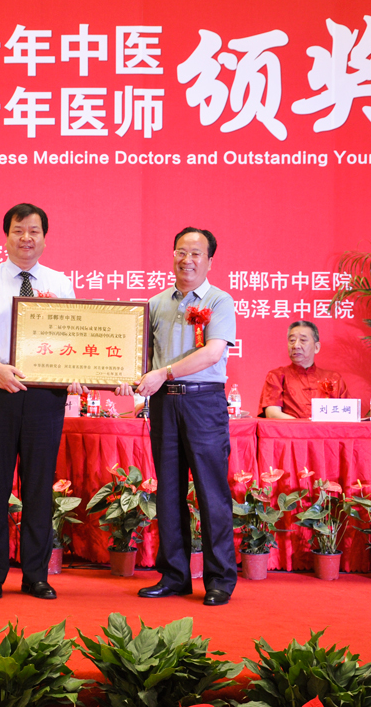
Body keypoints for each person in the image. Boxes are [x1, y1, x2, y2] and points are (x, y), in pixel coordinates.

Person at [0, 203, 86, 600]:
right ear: (6, 236)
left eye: (34, 231)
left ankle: (36, 575)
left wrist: (76, 372)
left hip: (45, 394)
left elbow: (73, 337)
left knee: (39, 487)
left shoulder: (59, 283)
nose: (26, 238)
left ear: (45, 238)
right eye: (18, 230)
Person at [117, 226, 237, 607]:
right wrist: (123, 378)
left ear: (209, 261)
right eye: (181, 252)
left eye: (196, 253)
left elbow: (212, 353)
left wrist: (164, 373)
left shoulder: (220, 301)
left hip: (204, 403)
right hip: (164, 405)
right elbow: (140, 358)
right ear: (172, 255)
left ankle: (219, 579)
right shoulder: (156, 304)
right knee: (168, 492)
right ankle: (174, 576)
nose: (187, 260)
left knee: (211, 494)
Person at [260, 320, 349, 419]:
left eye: (303, 340)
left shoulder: (334, 378)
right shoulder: (276, 376)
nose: (296, 346)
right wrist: (304, 425)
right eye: (292, 340)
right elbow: (272, 414)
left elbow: (348, 414)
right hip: (290, 429)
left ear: (316, 347)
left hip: (327, 429)